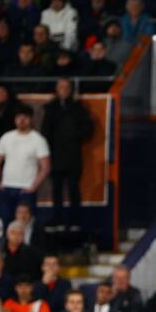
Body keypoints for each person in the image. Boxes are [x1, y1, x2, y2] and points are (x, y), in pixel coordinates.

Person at [41, 77, 93, 230]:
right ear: (56, 90)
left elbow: (88, 128)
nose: (63, 90)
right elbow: (45, 131)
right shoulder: (50, 108)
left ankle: (74, 219)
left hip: (73, 155)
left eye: (66, 87)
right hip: (55, 155)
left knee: (73, 189)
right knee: (56, 189)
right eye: (61, 87)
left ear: (70, 90)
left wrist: (74, 136)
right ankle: (57, 219)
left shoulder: (78, 108)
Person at [0, 106, 51, 226]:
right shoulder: (6, 137)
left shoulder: (38, 140)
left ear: (31, 119)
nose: (22, 120)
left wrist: (33, 187)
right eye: (18, 117)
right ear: (15, 119)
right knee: (5, 222)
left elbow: (46, 167)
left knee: (25, 224)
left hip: (26, 190)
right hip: (6, 188)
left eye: (25, 117)